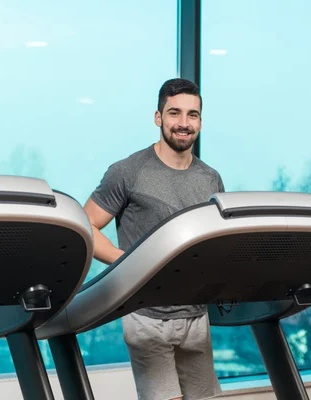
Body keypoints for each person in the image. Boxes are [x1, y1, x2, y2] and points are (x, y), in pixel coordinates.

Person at [84, 78, 224, 400]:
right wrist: (128, 265)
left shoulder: (211, 178)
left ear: (200, 121)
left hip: (196, 315)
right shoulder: (128, 172)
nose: (184, 124)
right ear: (158, 117)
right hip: (147, 315)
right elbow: (86, 226)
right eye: (174, 113)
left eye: (192, 115)